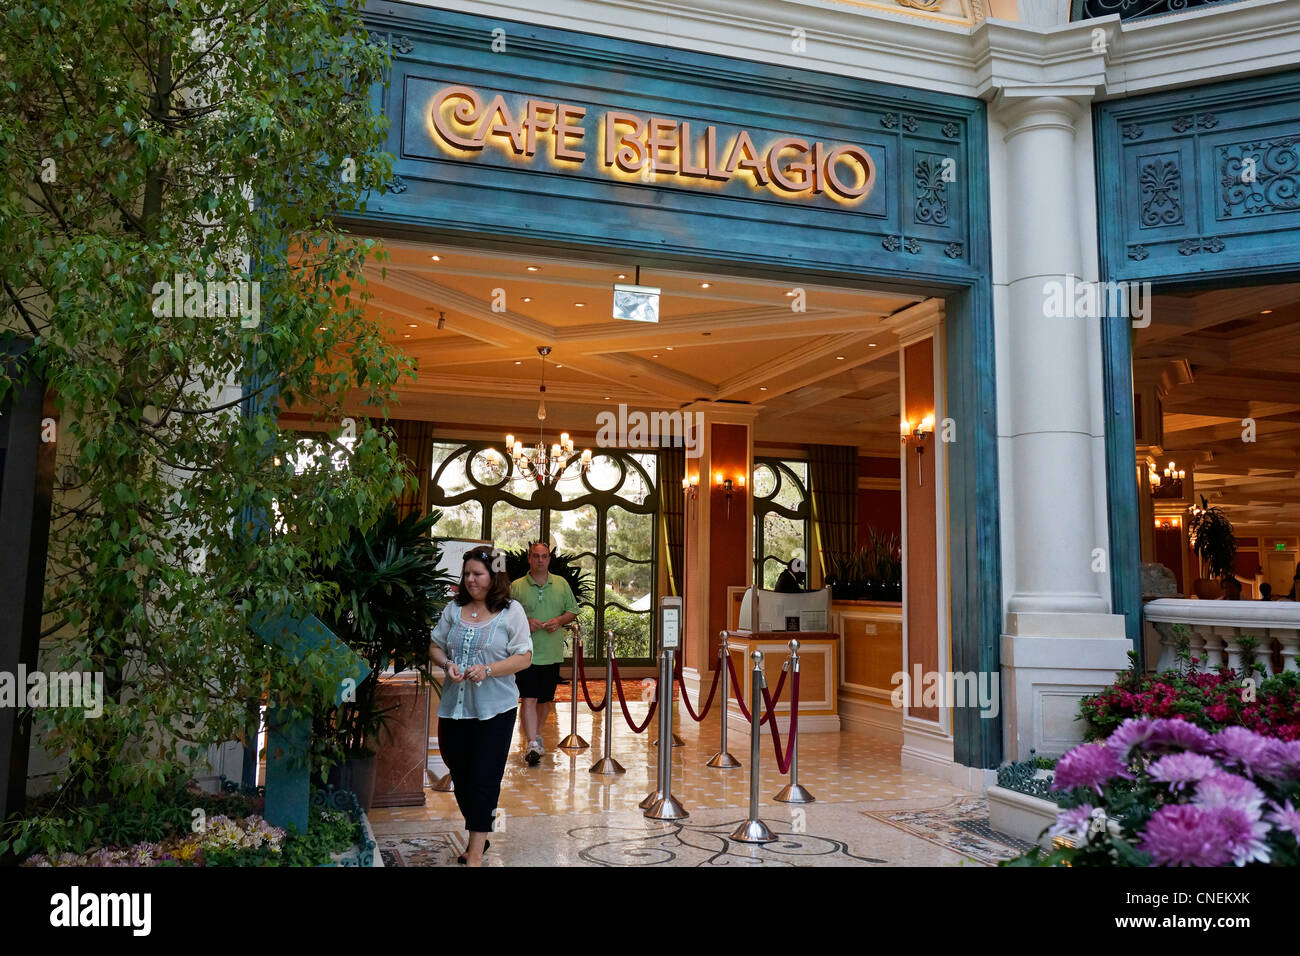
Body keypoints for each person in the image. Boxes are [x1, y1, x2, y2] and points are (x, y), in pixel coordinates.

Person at [429, 548, 533, 866]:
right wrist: (447, 664)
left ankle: (474, 852)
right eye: (467, 574)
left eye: (478, 574)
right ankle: (480, 833)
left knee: (485, 777)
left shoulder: (511, 611)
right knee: (461, 776)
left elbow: (524, 656)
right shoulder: (453, 608)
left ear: (493, 576)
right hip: (454, 709)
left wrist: (488, 670)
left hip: (495, 710)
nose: (471, 580)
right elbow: (434, 646)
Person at [510, 540, 579, 766]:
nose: (539, 560)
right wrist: (524, 621)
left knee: (545, 700)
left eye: (544, 556)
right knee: (528, 697)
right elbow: (506, 616)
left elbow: (572, 611)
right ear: (529, 559)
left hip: (551, 653)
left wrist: (559, 621)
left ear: (549, 559)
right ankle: (532, 742)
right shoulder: (517, 586)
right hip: (525, 653)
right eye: (535, 556)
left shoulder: (561, 584)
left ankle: (536, 734)